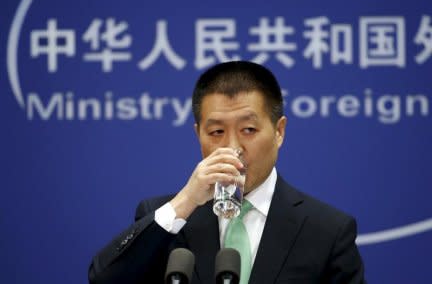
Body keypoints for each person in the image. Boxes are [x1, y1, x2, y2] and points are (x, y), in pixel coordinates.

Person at [88, 61, 366, 284]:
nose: (233, 147)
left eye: (248, 130)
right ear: (198, 134)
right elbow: (104, 279)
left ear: (279, 131)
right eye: (217, 132)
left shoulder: (327, 230)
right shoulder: (169, 217)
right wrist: (185, 202)